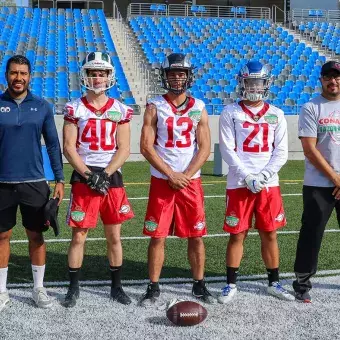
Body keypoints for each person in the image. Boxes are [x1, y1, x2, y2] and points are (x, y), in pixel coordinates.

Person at [139, 53, 214, 306]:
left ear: (188, 76)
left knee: (196, 235)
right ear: (165, 76)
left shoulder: (199, 107)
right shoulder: (154, 105)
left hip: (190, 182)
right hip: (163, 180)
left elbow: (204, 148)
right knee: (157, 236)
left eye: (181, 73)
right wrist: (172, 174)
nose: (177, 78)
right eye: (172, 73)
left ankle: (199, 284)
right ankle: (153, 285)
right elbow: (146, 147)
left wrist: (186, 175)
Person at [218, 60, 294, 303]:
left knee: (269, 233)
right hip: (239, 183)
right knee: (237, 234)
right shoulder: (231, 112)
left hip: (267, 184)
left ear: (266, 84)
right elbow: (228, 150)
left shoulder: (277, 114)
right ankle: (230, 284)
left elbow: (281, 152)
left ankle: (274, 282)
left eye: (258, 82)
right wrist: (247, 176)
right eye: (250, 81)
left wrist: (262, 176)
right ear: (242, 82)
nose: (254, 86)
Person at [62, 52, 134, 308]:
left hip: (110, 175)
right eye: (93, 73)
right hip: (84, 176)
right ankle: (73, 288)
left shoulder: (121, 109)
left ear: (109, 76)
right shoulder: (75, 108)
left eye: (101, 73)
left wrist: (104, 174)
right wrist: (90, 175)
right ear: (86, 76)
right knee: (79, 235)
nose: (97, 77)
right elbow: (69, 147)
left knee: (114, 236)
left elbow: (124, 148)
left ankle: (117, 287)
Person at [0, 55, 64, 312]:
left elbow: (52, 144)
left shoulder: (42, 106)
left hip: (35, 182)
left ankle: (38, 288)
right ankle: (1, 290)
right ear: (7, 75)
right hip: (2, 183)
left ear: (30, 76)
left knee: (36, 236)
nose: (18, 78)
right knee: (2, 236)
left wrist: (59, 178)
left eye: (23, 73)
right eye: (14, 73)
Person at [293, 61, 340, 303]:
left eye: (337, 77)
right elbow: (310, 150)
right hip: (318, 183)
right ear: (321, 80)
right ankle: (302, 282)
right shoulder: (311, 107)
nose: (333, 81)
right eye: (328, 77)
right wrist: (335, 178)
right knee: (312, 233)